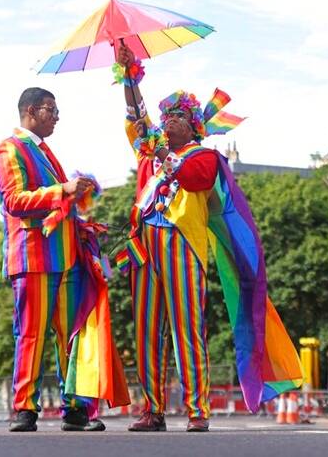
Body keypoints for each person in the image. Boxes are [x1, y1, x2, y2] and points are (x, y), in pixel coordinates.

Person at [114, 45, 304, 433]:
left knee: (188, 328)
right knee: (148, 332)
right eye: (166, 117)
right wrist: (130, 72)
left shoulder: (204, 157)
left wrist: (165, 151)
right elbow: (137, 115)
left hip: (181, 244)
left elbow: (191, 180)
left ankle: (197, 409)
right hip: (145, 245)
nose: (167, 122)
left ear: (194, 126)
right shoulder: (149, 151)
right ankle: (152, 409)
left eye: (177, 117)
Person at [0, 87, 125, 432]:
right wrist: (62, 190)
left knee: (72, 333)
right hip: (33, 255)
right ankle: (25, 408)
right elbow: (15, 201)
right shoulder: (9, 150)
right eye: (51, 109)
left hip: (66, 257)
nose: (56, 116)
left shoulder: (44, 152)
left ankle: (76, 409)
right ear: (32, 111)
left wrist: (78, 203)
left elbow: (56, 203)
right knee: (31, 334)